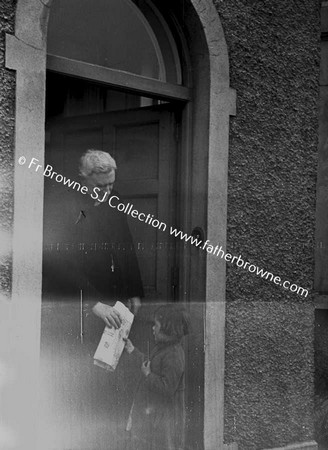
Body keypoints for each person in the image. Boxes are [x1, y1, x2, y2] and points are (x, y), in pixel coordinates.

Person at [124, 303, 190, 450]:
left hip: (163, 419)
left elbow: (167, 388)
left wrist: (148, 375)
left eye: (156, 325)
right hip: (154, 414)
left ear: (167, 330)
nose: (153, 328)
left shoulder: (174, 354)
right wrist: (132, 350)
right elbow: (150, 364)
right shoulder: (163, 347)